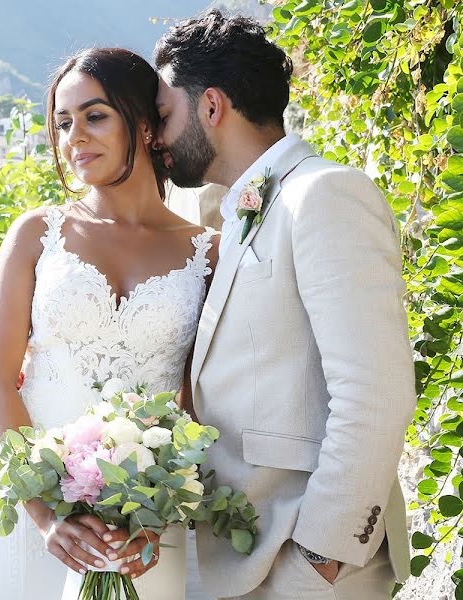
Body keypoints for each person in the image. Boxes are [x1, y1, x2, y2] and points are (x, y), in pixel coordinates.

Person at [151, 10, 415, 599]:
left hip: (309, 567)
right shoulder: (243, 210)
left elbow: (377, 390)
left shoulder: (323, 194)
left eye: (165, 115)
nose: (156, 138)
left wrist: (323, 554)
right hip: (250, 558)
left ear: (212, 107)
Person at [0, 46, 219, 600]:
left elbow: (198, 401)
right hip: (27, 508)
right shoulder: (37, 234)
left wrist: (159, 515)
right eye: (62, 122)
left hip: (144, 522)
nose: (74, 135)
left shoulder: (208, 254)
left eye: (95, 116)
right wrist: (45, 513)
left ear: (146, 126)